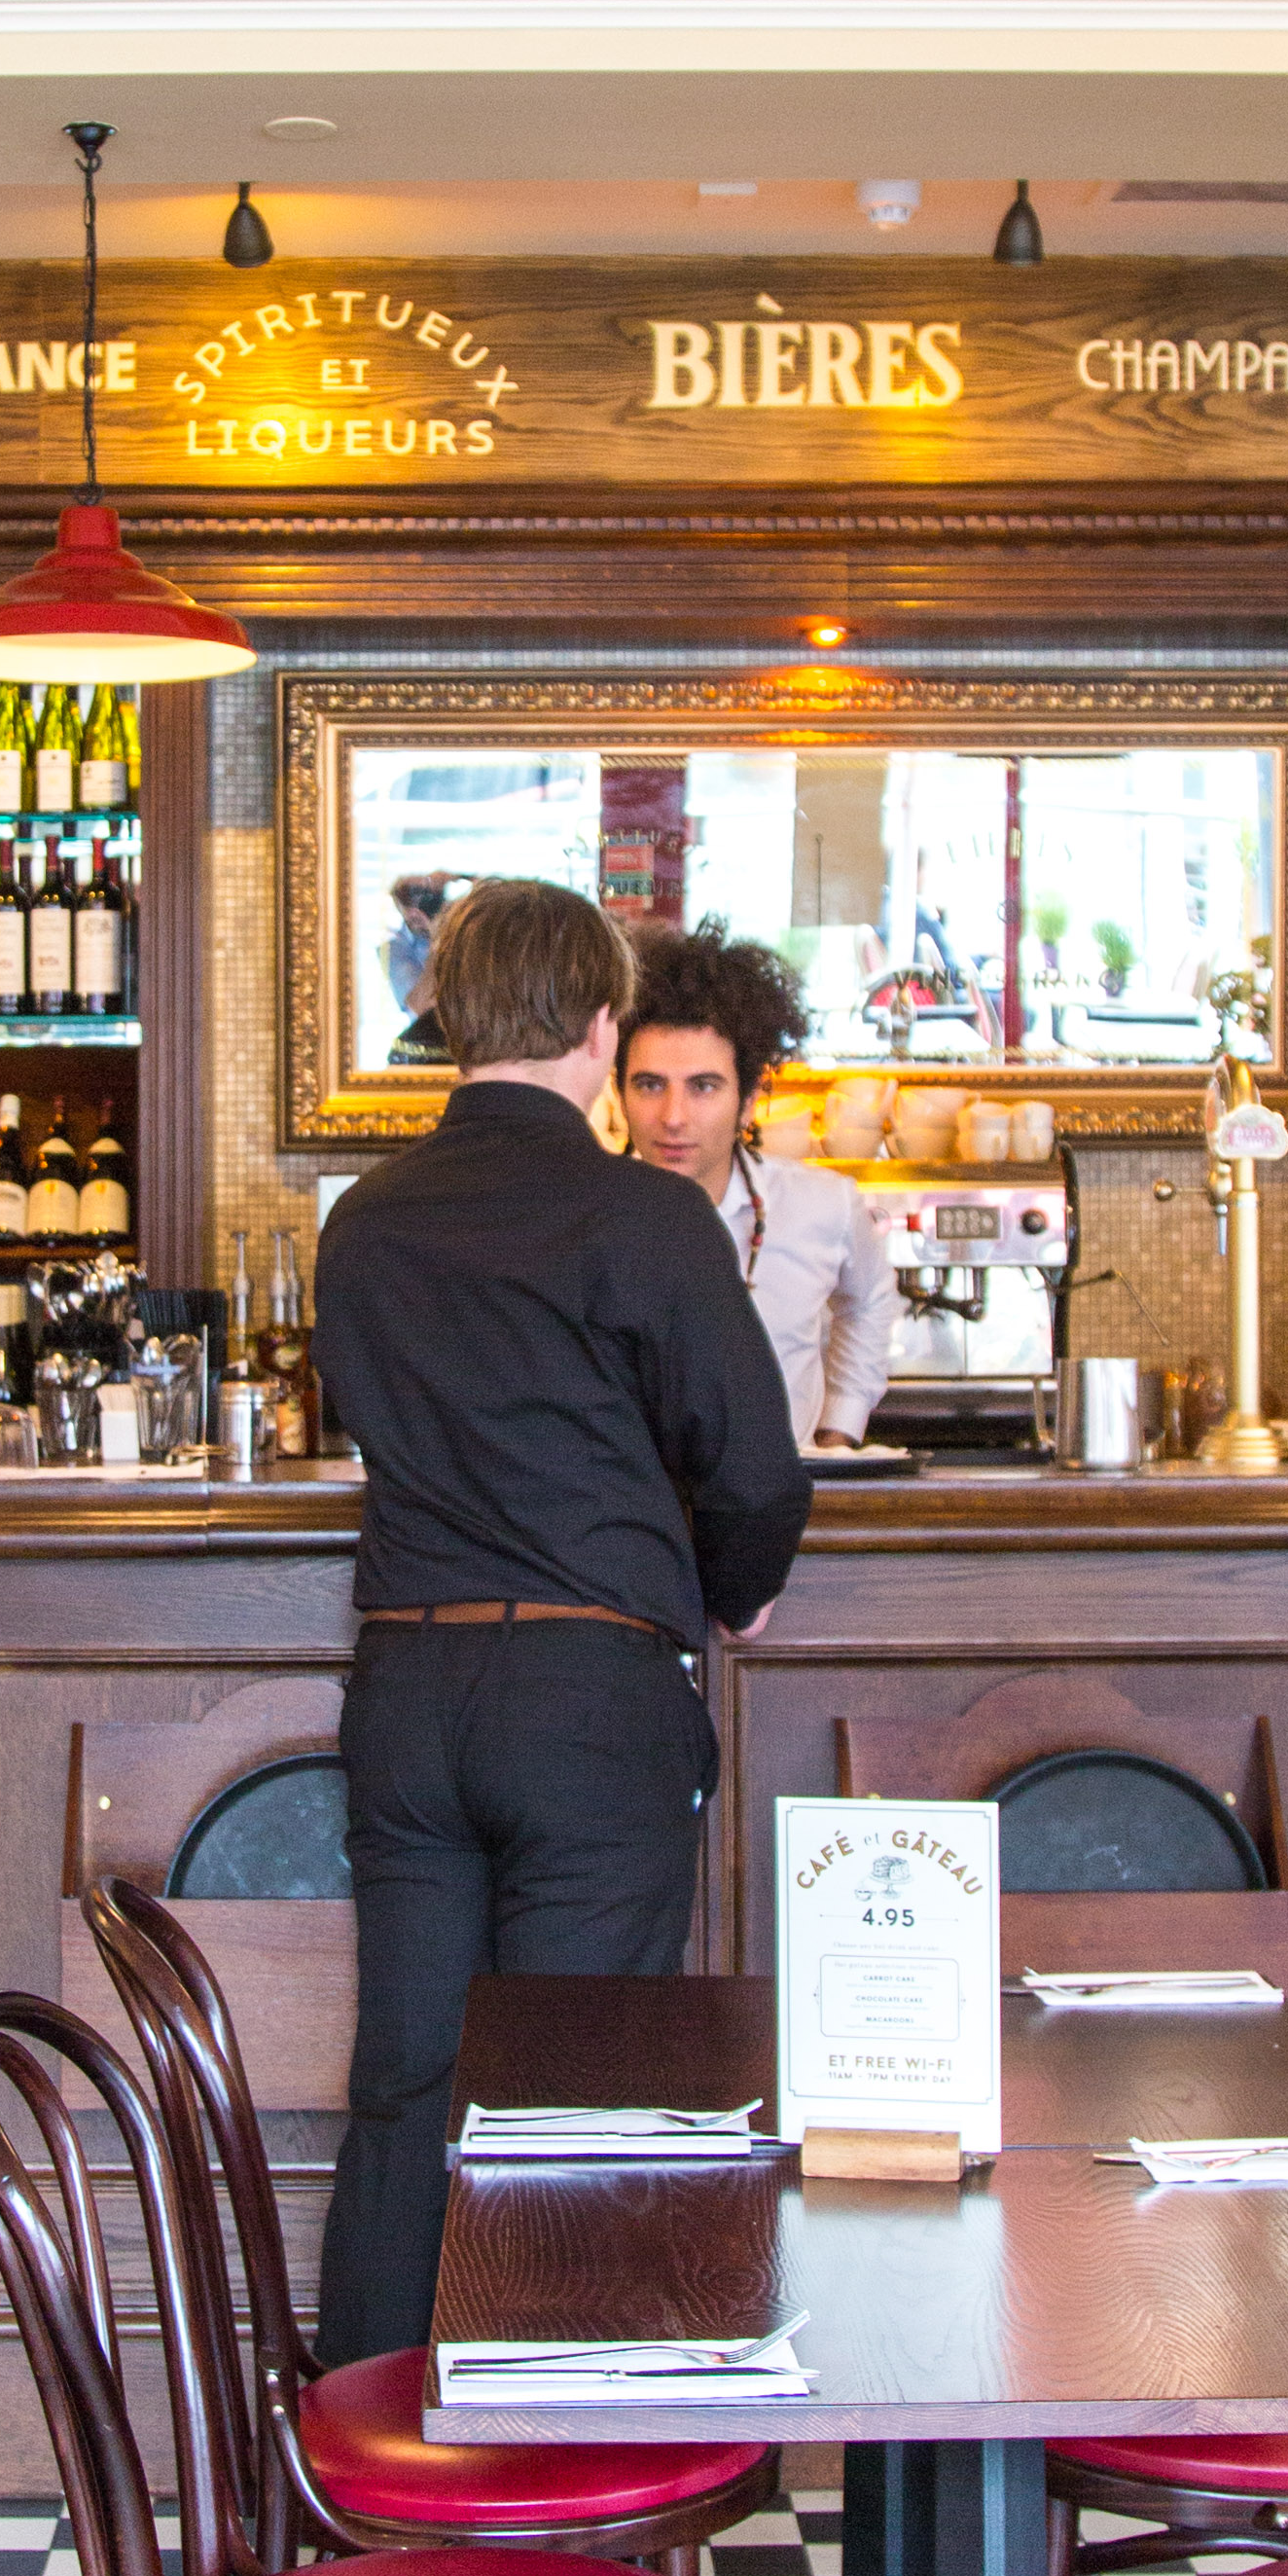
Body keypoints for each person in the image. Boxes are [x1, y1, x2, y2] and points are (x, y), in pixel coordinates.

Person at [307, 878, 809, 2361]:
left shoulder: (363, 1221)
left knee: (405, 2081)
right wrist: (734, 1585)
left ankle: (362, 2428)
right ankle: (559, 2438)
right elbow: (750, 1462)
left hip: (407, 1686)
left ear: (451, 1020)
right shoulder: (644, 1215)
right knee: (578, 2090)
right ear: (599, 1028)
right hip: (587, 1699)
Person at [618, 921, 900, 1452]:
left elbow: (871, 1302)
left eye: (704, 1087)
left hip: (784, 1494)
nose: (673, 1117)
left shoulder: (822, 1205)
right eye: (650, 1085)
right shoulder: (589, 1216)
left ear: (748, 1102)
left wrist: (839, 1429)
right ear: (620, 1095)